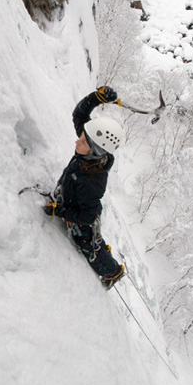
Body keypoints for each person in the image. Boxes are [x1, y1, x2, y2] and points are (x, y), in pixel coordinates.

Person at [44, 86, 126, 288]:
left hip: (81, 220)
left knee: (90, 248)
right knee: (92, 243)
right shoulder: (90, 149)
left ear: (95, 151)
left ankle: (112, 273)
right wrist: (97, 98)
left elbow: (88, 217)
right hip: (75, 206)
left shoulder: (93, 181)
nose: (77, 141)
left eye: (82, 141)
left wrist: (60, 211)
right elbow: (79, 113)